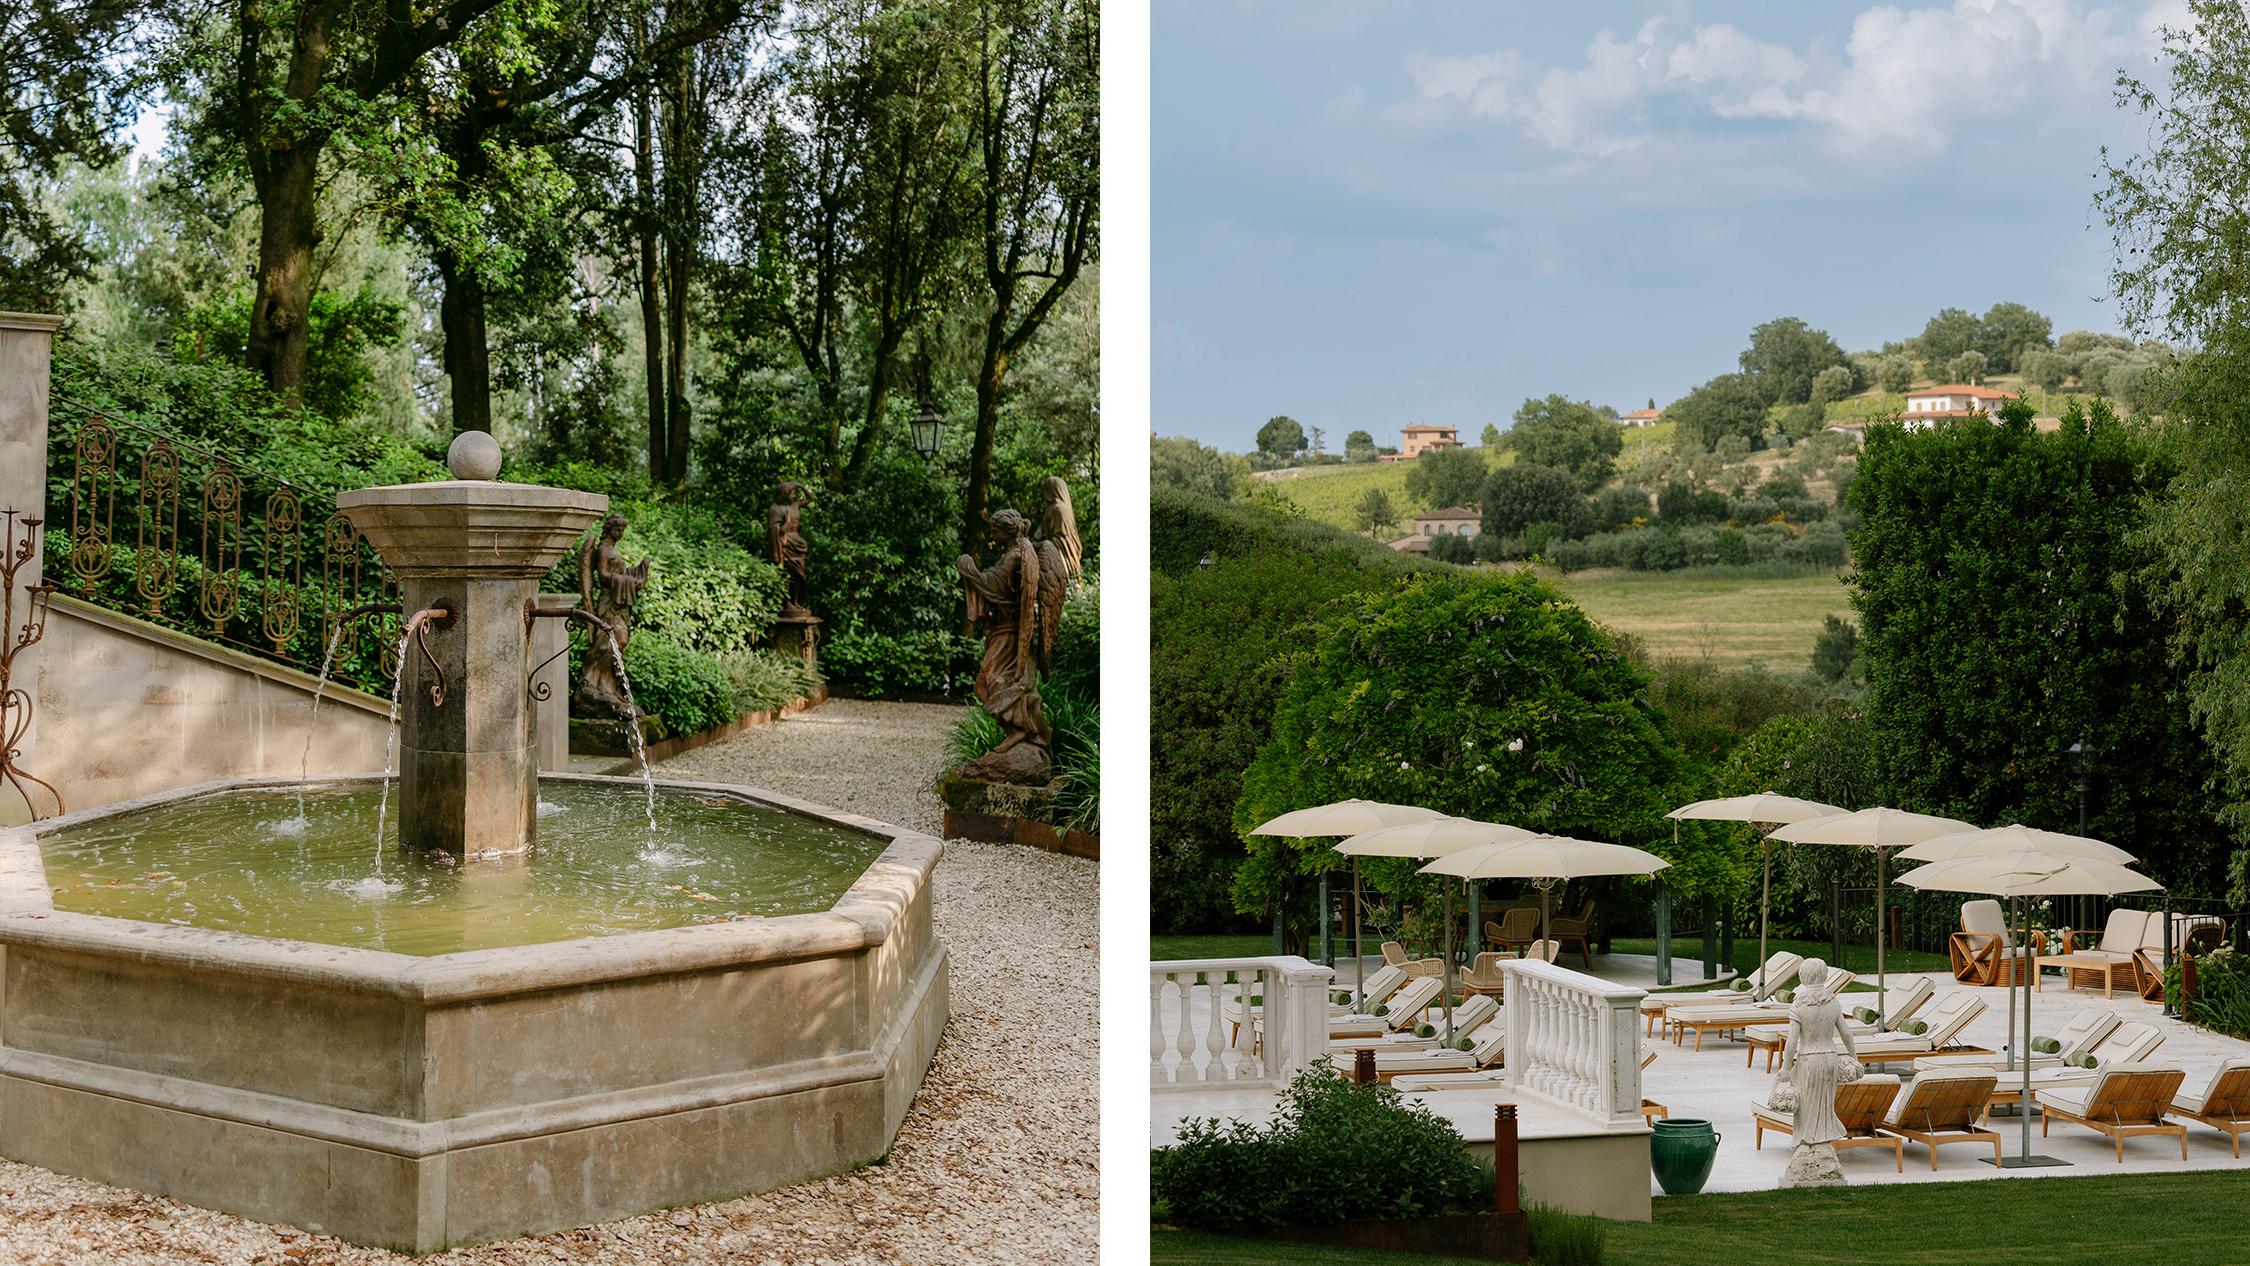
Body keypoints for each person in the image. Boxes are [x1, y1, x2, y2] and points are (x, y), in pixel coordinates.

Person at [1779, 957, 1861, 1147]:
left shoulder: (1799, 1005)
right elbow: (1847, 1034)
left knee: (1806, 1106)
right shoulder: (1833, 1002)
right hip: (1830, 1058)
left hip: (1808, 1060)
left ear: (1802, 977)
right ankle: (1824, 1143)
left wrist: (1785, 1068)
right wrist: (1854, 1058)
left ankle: (1808, 1145)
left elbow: (1791, 1042)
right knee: (1825, 1105)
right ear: (1824, 975)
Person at [575, 512, 649, 715]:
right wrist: (631, 581)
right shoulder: (602, 550)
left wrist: (637, 571)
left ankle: (610, 685)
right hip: (608, 603)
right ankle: (595, 682)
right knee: (609, 642)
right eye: (619, 529)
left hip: (620, 605)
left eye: (623, 530)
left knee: (620, 641)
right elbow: (604, 577)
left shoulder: (613, 549)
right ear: (610, 529)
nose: (622, 533)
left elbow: (618, 574)